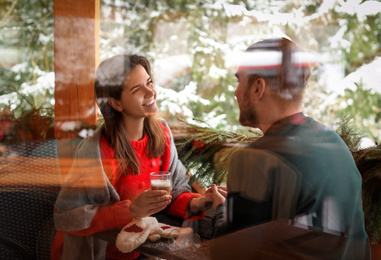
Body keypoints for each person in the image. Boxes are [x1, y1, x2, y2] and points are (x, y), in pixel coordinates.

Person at [209, 38, 371, 259]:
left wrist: (222, 209)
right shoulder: (334, 142)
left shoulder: (254, 158)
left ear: (258, 88)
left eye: (240, 81)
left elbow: (226, 252)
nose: (236, 93)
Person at [50, 54, 213, 260]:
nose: (150, 92)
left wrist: (198, 203)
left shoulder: (162, 133)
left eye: (149, 82)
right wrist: (132, 210)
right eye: (137, 89)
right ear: (116, 104)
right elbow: (67, 216)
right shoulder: (94, 151)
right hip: (98, 253)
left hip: (142, 249)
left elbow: (176, 190)